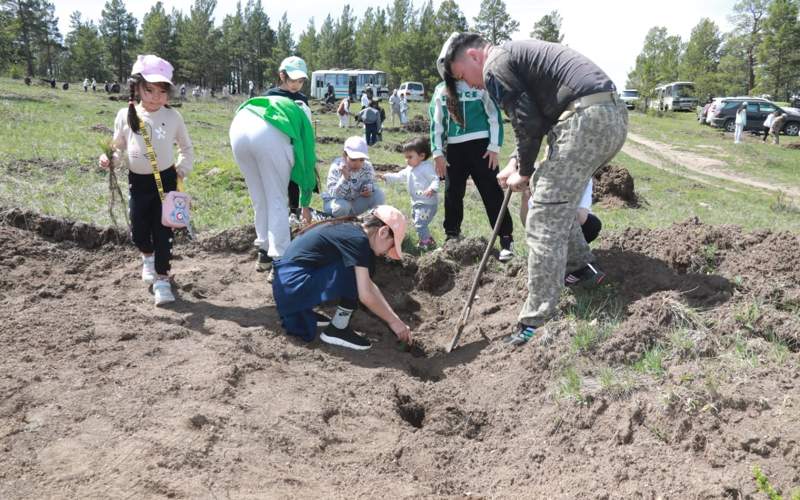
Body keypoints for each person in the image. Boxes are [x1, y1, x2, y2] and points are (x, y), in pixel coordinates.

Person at [438, 32, 628, 346]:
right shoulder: (511, 57)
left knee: (542, 216)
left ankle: (536, 322)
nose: (470, 85)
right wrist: (516, 162)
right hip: (607, 118)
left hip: (587, 120)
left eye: (463, 76)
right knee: (553, 200)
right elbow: (535, 121)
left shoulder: (495, 63)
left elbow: (527, 122)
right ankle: (582, 268)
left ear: (473, 56)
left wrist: (524, 172)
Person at [98, 54, 194, 306]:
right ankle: (147, 258)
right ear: (137, 87)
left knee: (164, 232)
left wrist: (182, 169)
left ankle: (162, 279)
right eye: (149, 90)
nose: (155, 97)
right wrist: (110, 158)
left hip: (166, 182)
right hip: (137, 183)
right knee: (139, 231)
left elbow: (186, 147)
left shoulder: (173, 118)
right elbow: (117, 146)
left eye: (162, 91)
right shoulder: (125, 115)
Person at [272, 206, 412, 350]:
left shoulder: (350, 229)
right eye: (392, 245)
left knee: (359, 271)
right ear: (383, 232)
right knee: (354, 269)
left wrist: (395, 319)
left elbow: (369, 285)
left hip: (287, 287)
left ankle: (302, 310)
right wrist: (394, 322)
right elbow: (366, 294)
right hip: (293, 288)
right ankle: (337, 329)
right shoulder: (359, 241)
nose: (388, 253)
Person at [229, 81, 317, 281]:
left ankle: (264, 253)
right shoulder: (301, 113)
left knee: (259, 197)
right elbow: (307, 161)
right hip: (267, 133)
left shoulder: (269, 99)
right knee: (276, 198)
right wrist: (305, 201)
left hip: (239, 124)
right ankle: (280, 261)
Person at [429, 74, 514, 261]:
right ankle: (452, 236)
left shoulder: (478, 84)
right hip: (454, 148)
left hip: (482, 147)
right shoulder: (440, 89)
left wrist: (494, 147)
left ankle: (506, 239)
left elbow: (493, 115)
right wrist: (437, 153)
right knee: (452, 193)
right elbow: (436, 122)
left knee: (492, 192)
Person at [520, 178, 603, 285]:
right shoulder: (541, 179)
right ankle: (562, 267)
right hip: (547, 234)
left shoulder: (584, 178)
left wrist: (558, 202)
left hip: (572, 226)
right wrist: (525, 198)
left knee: (592, 224)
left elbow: (582, 218)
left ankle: (579, 265)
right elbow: (527, 224)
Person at [263, 56, 312, 221]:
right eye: (292, 80)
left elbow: (305, 123)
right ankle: (273, 211)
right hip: (274, 146)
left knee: (294, 179)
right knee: (276, 180)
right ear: (282, 76)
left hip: (294, 146)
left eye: (300, 81)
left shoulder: (302, 99)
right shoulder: (270, 96)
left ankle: (294, 212)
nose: (296, 85)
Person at [379, 137, 439, 250]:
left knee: (420, 223)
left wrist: (432, 188)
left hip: (427, 203)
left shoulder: (426, 168)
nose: (407, 160)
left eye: (410, 157)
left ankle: (425, 243)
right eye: (405, 157)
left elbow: (435, 179)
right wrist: (387, 177)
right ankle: (428, 239)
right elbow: (399, 176)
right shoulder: (409, 168)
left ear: (422, 156)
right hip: (417, 203)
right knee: (417, 221)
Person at [322, 136, 385, 217]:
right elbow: (334, 194)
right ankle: (338, 226)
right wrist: (344, 178)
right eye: (353, 159)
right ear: (344, 155)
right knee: (342, 207)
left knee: (379, 194)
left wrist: (369, 189)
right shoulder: (336, 166)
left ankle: (373, 224)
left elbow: (371, 182)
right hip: (335, 204)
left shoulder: (367, 166)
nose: (357, 164)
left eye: (361, 160)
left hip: (355, 202)